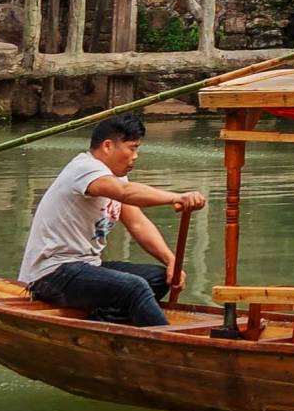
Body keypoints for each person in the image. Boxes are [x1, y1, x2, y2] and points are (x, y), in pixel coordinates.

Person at [19, 115, 205, 328]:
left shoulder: (116, 177)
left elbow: (137, 223)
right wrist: (176, 197)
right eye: (132, 148)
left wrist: (171, 261)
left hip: (87, 266)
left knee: (159, 278)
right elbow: (125, 193)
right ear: (108, 146)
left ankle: (100, 324)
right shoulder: (84, 168)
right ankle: (170, 341)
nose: (135, 156)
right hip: (52, 273)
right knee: (135, 287)